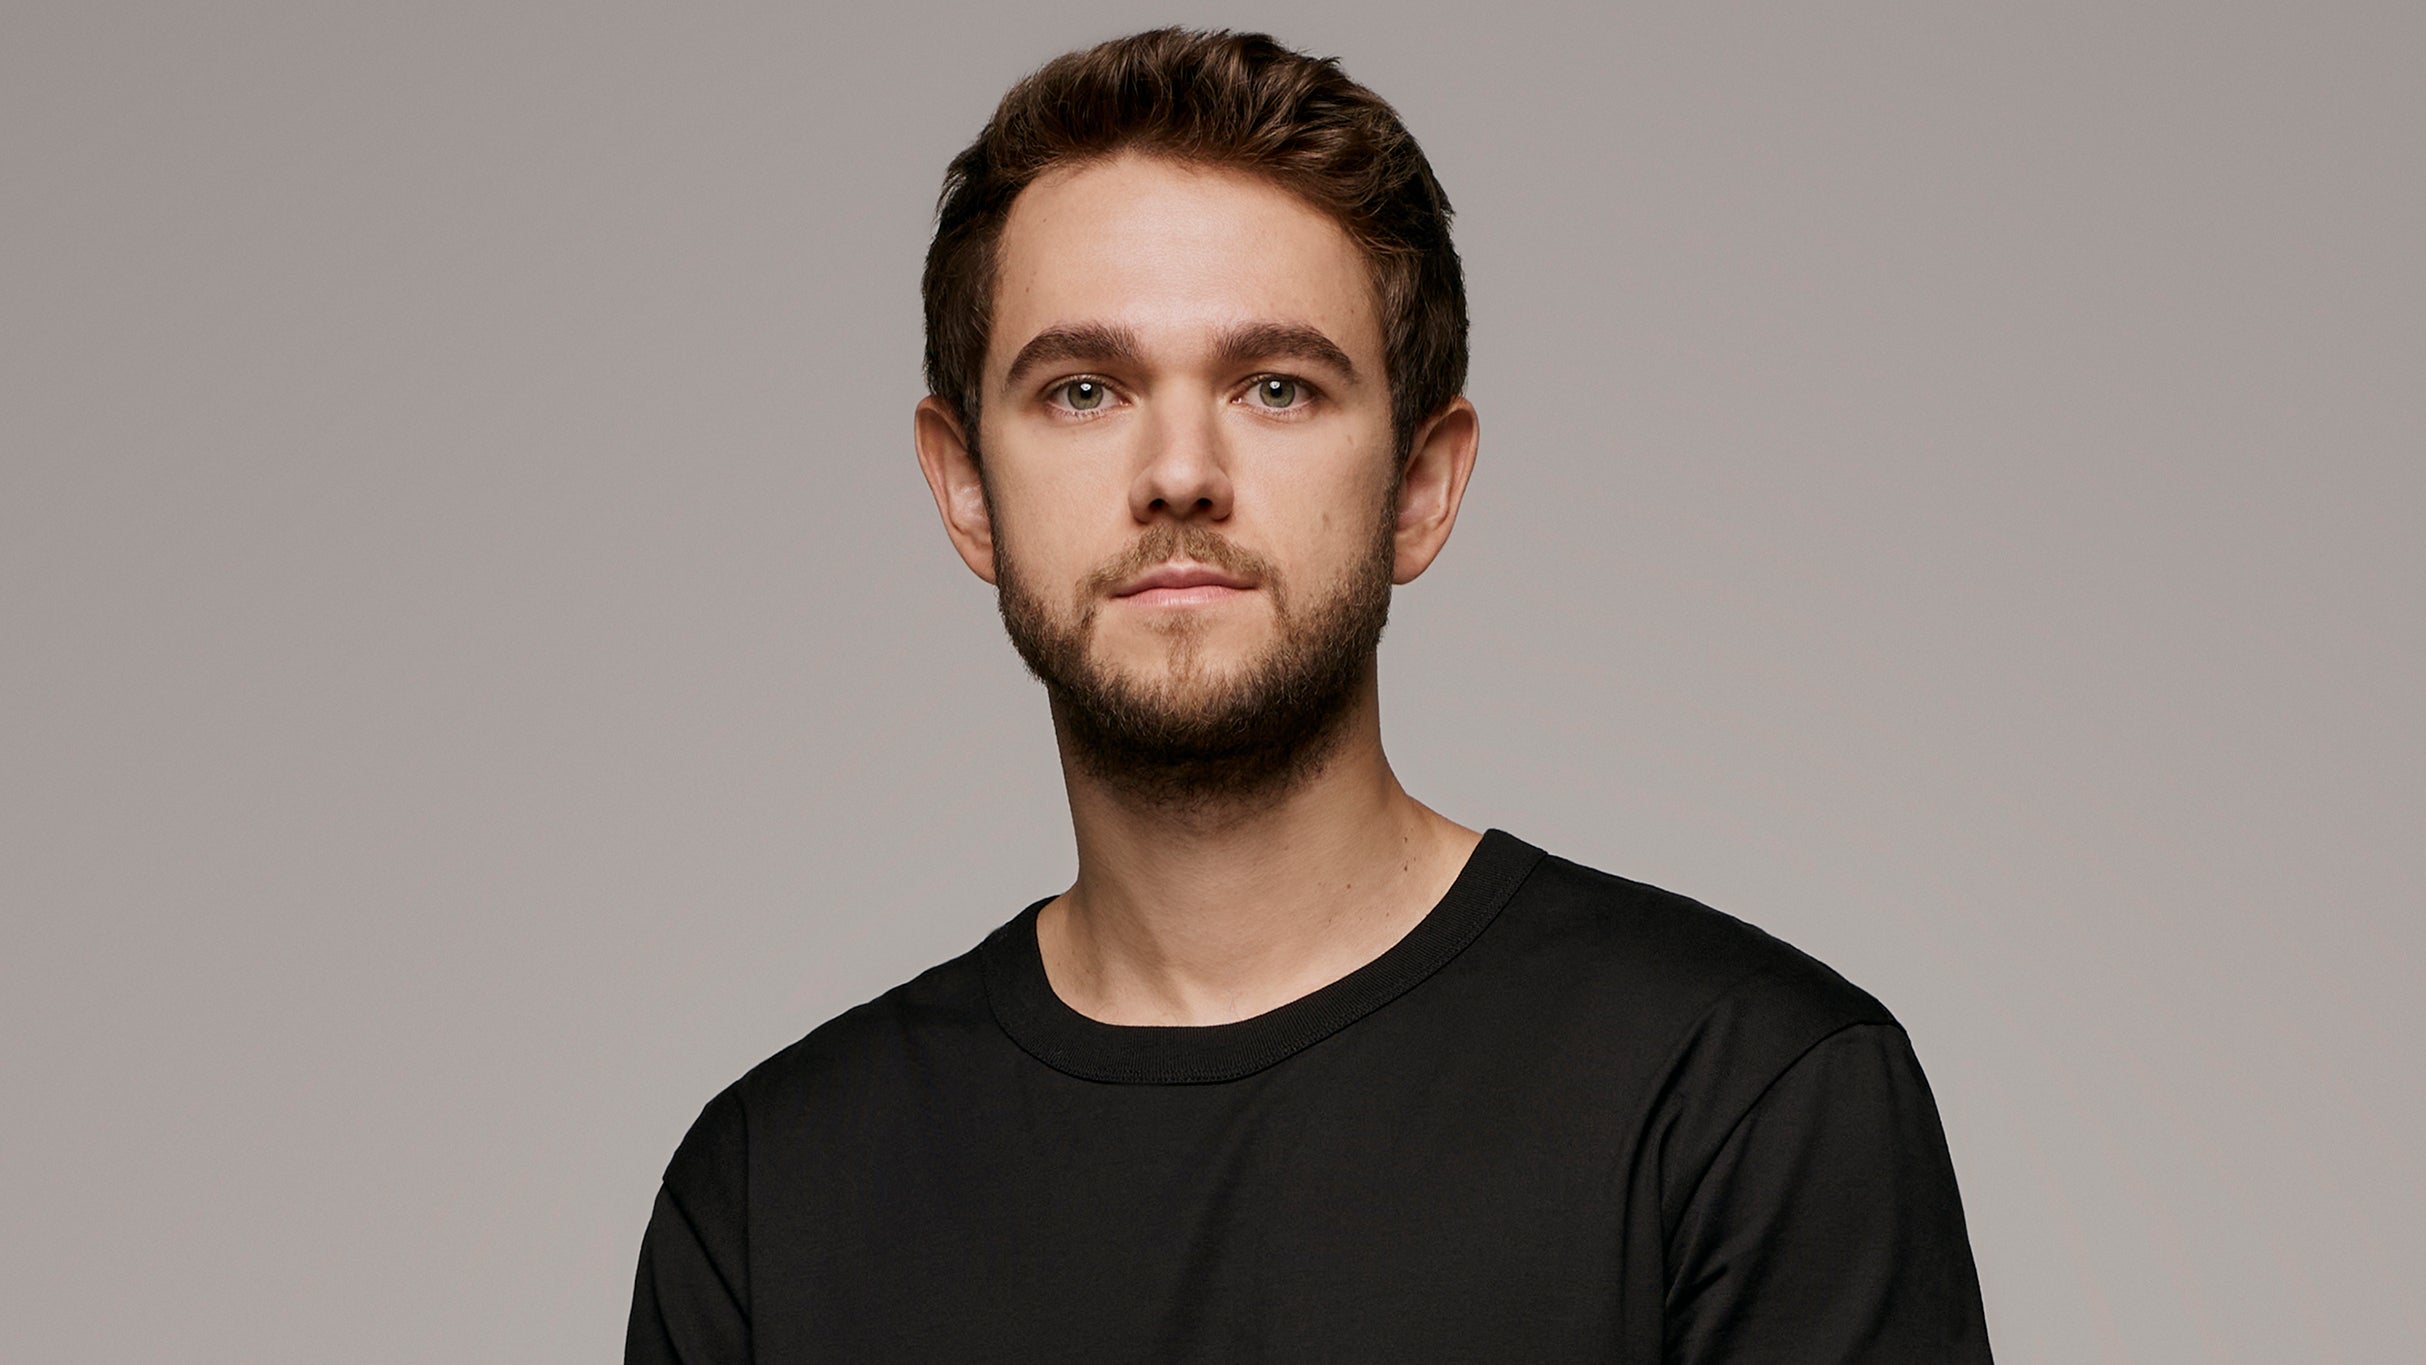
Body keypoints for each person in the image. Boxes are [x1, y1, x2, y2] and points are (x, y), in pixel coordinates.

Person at [625, 27, 1992, 1364]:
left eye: (1275, 387)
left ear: (1421, 486)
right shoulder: (770, 1197)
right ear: (965, 488)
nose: (1180, 472)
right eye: (1084, 389)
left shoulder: (1741, 1099)